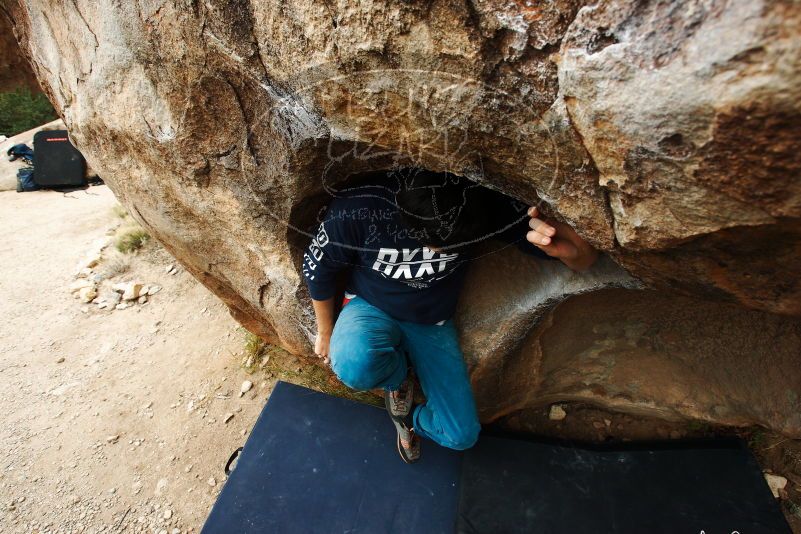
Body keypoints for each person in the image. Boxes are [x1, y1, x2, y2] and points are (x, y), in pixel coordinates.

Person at [302, 167, 599, 463]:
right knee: (352, 365)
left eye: (445, 246)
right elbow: (319, 269)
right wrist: (326, 331)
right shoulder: (362, 206)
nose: (431, 250)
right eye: (425, 238)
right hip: (371, 304)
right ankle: (397, 378)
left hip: (433, 321)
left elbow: (584, 259)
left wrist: (565, 248)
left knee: (460, 436)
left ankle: (409, 418)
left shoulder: (484, 208)